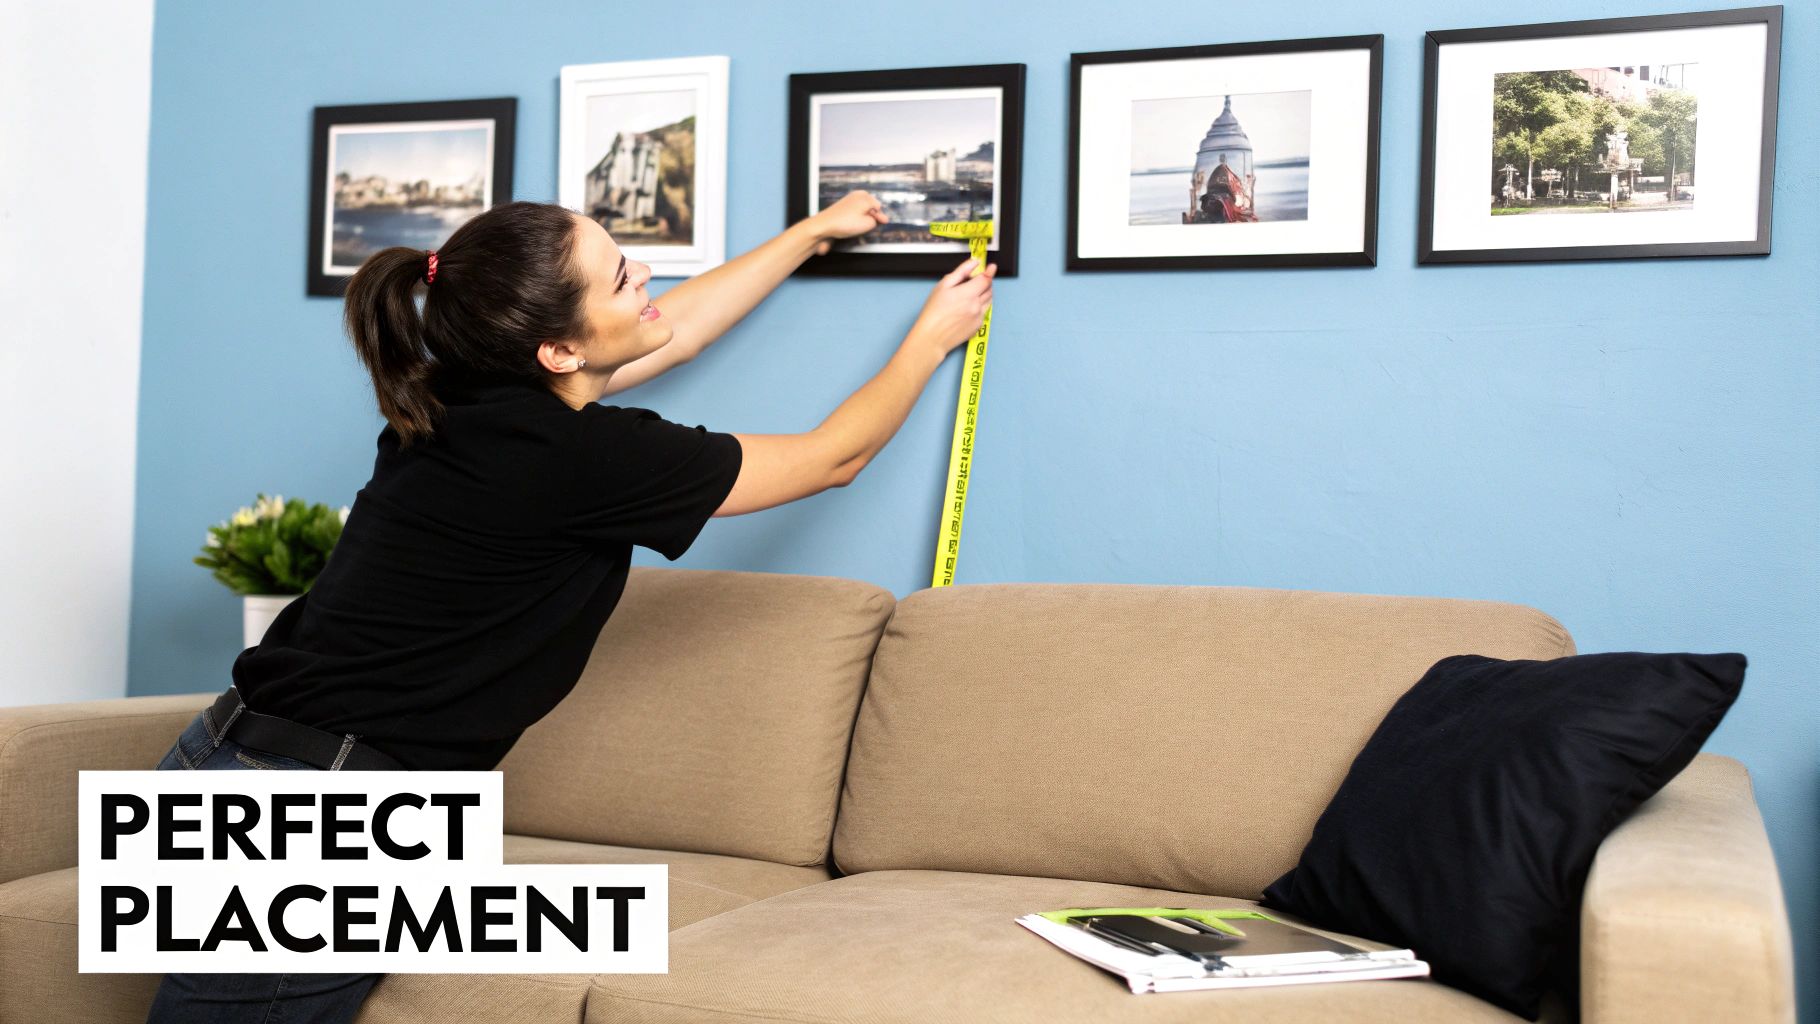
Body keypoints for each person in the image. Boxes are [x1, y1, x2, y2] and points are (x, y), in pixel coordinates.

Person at [145, 189, 996, 1024]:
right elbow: (834, 456)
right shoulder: (585, 460)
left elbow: (683, 327)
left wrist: (811, 233)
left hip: (235, 765)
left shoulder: (452, 395)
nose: (648, 276)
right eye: (624, 277)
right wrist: (932, 337)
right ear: (557, 350)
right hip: (321, 825)